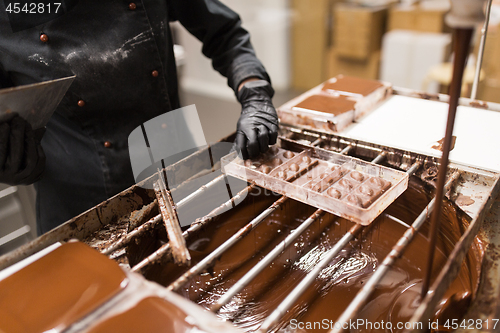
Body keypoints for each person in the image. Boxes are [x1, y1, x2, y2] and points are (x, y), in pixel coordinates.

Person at [0, 0, 278, 234]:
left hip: (175, 163)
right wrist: (12, 160)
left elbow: (225, 32)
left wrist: (255, 92)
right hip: (77, 196)